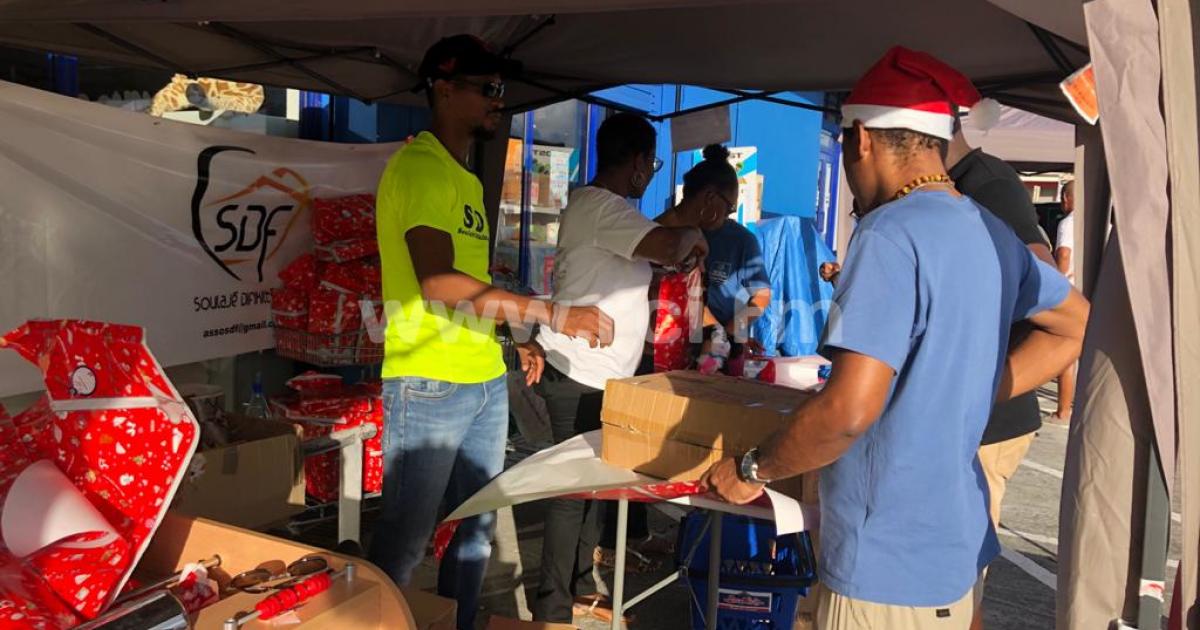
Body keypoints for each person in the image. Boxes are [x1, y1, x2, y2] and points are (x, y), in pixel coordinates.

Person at [701, 46, 1089, 630]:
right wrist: (974, 390)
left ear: (861, 139)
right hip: (955, 542)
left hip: (883, 560)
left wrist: (752, 468)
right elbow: (1074, 323)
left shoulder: (888, 233)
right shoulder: (984, 226)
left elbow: (848, 412)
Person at [369, 34, 612, 630]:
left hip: (481, 379)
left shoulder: (464, 179)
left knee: (476, 532)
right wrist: (549, 313)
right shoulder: (421, 167)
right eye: (486, 89)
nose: (497, 101)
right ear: (443, 90)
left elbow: (471, 288)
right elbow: (438, 283)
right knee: (404, 542)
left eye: (500, 90)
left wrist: (512, 340)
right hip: (428, 384)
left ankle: (461, 622)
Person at [529, 112, 709, 623]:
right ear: (634, 163)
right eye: (650, 163)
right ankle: (553, 606)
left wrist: (686, 234)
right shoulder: (599, 207)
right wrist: (694, 228)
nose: (651, 173)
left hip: (601, 375)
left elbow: (661, 241)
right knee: (570, 494)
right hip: (576, 370)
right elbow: (670, 244)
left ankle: (581, 585)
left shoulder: (610, 211)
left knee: (592, 487)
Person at [1052, 180, 1077, 423]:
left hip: (1071, 290)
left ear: (1067, 199)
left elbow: (1064, 253)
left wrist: (1058, 280)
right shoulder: (1105, 223)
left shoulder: (1068, 223)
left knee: (1065, 352)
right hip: (1091, 291)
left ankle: (1063, 409)